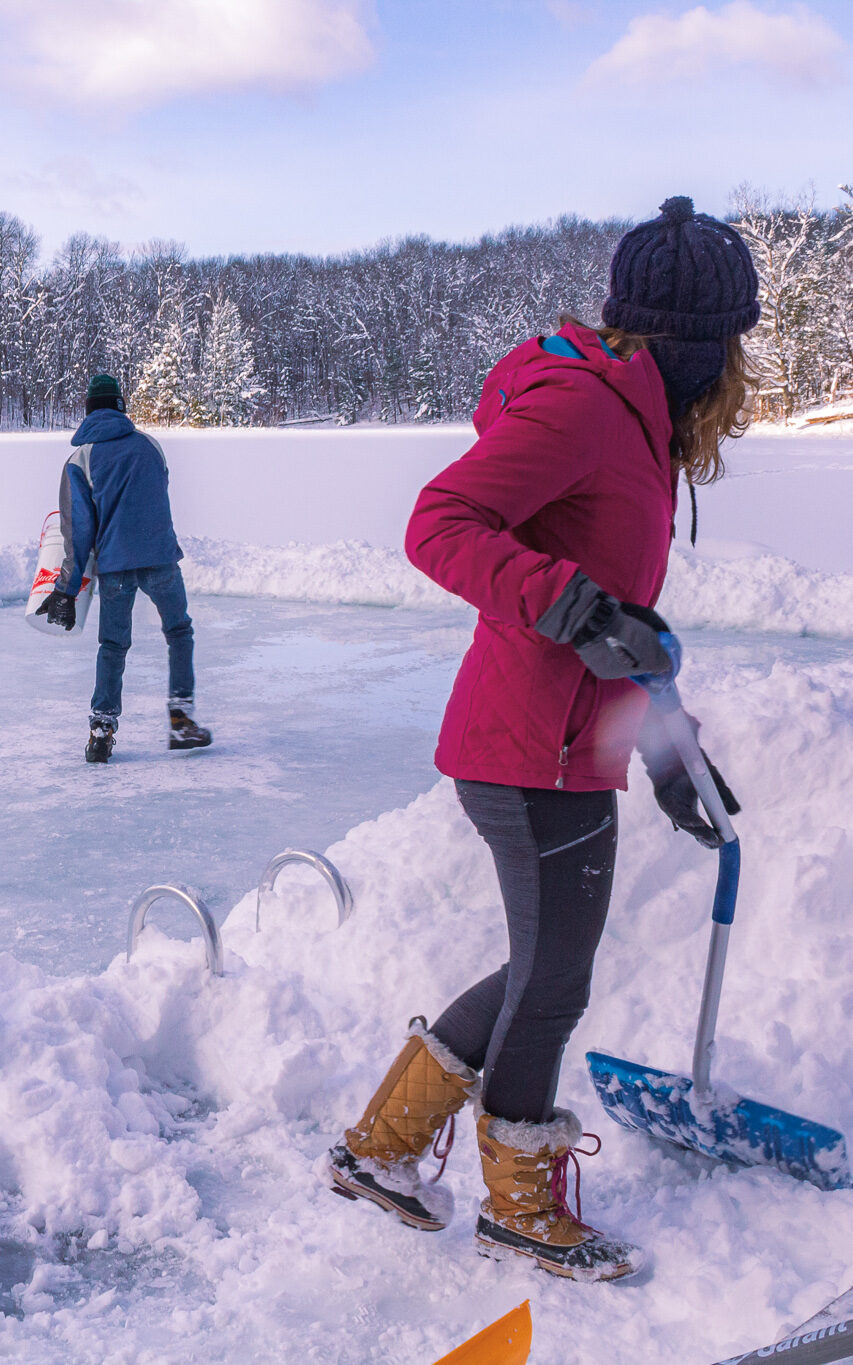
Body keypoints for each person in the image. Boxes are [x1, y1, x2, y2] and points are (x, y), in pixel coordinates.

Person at [325, 197, 761, 1282]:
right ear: (696, 345)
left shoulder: (631, 414)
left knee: (540, 965)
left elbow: (622, 631)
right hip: (529, 756)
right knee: (554, 981)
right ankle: (517, 1200)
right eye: (734, 346)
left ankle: (380, 1146)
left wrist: (665, 749)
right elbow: (438, 525)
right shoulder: (583, 410)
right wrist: (572, 607)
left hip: (552, 745)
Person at [36, 374, 212, 763]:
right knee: (179, 632)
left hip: (115, 567)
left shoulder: (79, 460)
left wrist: (65, 589)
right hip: (161, 558)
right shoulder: (151, 446)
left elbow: (78, 532)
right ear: (120, 405)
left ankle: (101, 731)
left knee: (113, 646)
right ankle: (181, 721)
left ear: (88, 411)